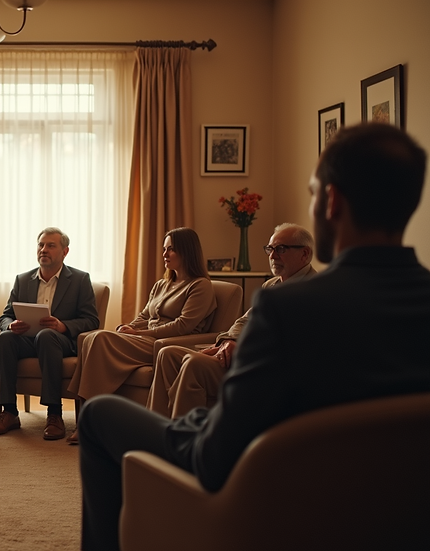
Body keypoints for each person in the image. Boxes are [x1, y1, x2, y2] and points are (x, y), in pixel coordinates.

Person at [78, 122, 430, 550]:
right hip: (393, 501)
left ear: (332, 200)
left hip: (280, 486)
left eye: (313, 192)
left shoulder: (287, 307)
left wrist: (196, 422)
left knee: (98, 415)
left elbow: (218, 453)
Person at [147, 223, 316, 418]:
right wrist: (229, 341)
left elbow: (289, 344)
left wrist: (240, 347)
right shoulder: (272, 284)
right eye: (270, 249)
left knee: (194, 364)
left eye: (281, 249)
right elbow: (243, 321)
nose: (272, 256)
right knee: (168, 354)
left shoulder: (313, 291)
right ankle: (157, 427)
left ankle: (182, 441)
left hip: (260, 368)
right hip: (242, 353)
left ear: (304, 254)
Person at [66, 227, 216, 442]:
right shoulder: (162, 284)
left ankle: (91, 423)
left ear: (187, 251)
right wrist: (127, 327)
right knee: (91, 337)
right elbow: (144, 315)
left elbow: (183, 325)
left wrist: (139, 332)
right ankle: (88, 417)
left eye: (171, 249)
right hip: (145, 337)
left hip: (166, 343)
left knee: (99, 338)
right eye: (164, 249)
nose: (165, 254)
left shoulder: (200, 286)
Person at [0, 227, 99, 440]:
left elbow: (92, 320)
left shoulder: (79, 280)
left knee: (46, 336)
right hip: (28, 340)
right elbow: (5, 316)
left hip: (62, 342)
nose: (43, 249)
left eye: (50, 245)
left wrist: (63, 326)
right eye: (41, 245)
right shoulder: (23, 279)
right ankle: (9, 412)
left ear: (65, 251)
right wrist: (10, 325)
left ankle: (54, 414)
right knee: (6, 337)